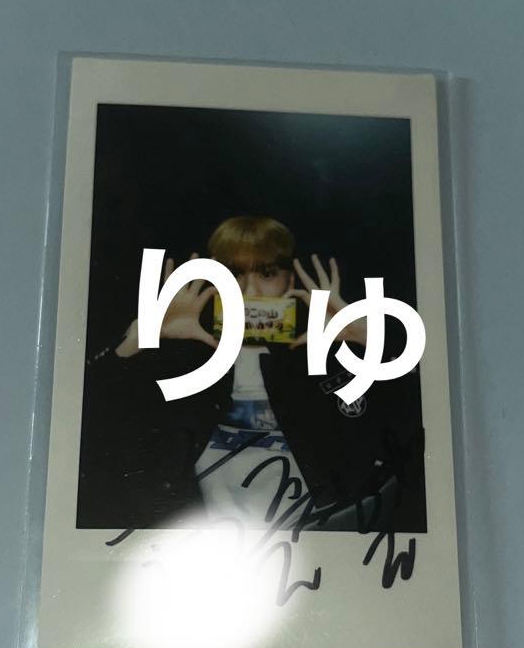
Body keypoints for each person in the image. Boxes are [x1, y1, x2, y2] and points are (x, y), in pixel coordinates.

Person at [76, 216, 425, 533]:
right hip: (204, 542)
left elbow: (417, 428)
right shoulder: (177, 359)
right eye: (234, 275)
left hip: (317, 535)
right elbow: (84, 426)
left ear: (290, 280)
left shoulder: (328, 356)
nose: (249, 292)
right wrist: (134, 341)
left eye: (267, 274)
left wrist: (368, 338)